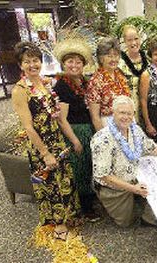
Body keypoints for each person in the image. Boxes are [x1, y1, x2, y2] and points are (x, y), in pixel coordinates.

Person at [11, 42, 80, 240]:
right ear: (20, 65)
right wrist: (45, 153)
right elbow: (28, 127)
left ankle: (67, 218)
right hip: (41, 145)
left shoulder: (45, 83)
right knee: (50, 184)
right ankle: (57, 226)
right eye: (27, 62)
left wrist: (72, 139)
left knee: (63, 180)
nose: (32, 65)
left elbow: (58, 116)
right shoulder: (20, 90)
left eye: (35, 60)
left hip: (57, 140)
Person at [90, 95, 157, 227]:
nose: (125, 117)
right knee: (127, 223)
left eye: (129, 113)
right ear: (113, 113)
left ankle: (149, 215)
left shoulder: (135, 130)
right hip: (114, 188)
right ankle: (119, 201)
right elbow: (104, 176)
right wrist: (133, 189)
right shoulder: (102, 139)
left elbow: (151, 148)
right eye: (122, 112)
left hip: (136, 176)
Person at [53, 36, 100, 222]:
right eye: (70, 61)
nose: (74, 65)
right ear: (64, 64)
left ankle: (89, 200)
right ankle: (84, 209)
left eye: (78, 61)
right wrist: (74, 140)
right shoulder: (62, 86)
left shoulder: (85, 82)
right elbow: (62, 120)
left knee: (89, 167)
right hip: (75, 132)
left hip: (88, 129)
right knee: (79, 170)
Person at [87, 37, 130, 131]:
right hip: (108, 126)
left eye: (116, 55)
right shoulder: (96, 81)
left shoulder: (121, 75)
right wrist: (103, 138)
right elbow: (95, 117)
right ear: (101, 58)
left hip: (127, 123)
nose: (114, 59)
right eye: (109, 56)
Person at [119, 25, 148, 122]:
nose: (134, 43)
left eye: (136, 39)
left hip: (150, 107)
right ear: (125, 41)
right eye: (129, 40)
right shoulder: (120, 63)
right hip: (130, 107)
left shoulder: (149, 58)